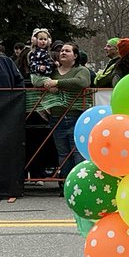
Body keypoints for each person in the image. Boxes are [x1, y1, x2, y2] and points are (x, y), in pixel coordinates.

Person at [35, 42, 92, 180]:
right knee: (63, 153)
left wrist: (57, 83)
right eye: (61, 51)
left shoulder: (81, 70)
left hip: (76, 117)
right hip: (56, 117)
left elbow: (82, 82)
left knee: (77, 151)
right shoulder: (53, 71)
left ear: (75, 56)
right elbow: (37, 79)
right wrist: (46, 83)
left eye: (67, 51)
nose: (63, 53)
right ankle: (65, 182)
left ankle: (79, 181)